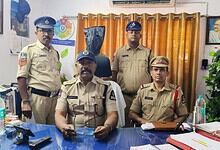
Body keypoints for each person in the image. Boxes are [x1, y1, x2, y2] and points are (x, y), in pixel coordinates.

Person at [55, 50, 118, 140]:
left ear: (95, 66)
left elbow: (113, 114)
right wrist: (64, 127)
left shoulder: (106, 87)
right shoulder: (67, 87)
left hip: (98, 135)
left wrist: (107, 127)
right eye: (82, 63)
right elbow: (59, 114)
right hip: (73, 135)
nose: (85, 66)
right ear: (76, 66)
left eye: (89, 63)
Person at [17, 16, 61, 124]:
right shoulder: (28, 50)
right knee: (37, 135)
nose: (46, 34)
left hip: (54, 100)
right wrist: (25, 101)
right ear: (36, 32)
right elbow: (21, 77)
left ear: (53, 33)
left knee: (53, 135)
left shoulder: (55, 53)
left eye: (49, 31)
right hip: (37, 100)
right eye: (43, 30)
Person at [111, 21, 153, 126]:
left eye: (136, 32)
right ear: (127, 34)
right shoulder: (119, 52)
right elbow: (114, 73)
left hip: (143, 96)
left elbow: (153, 73)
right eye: (131, 31)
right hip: (124, 96)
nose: (134, 34)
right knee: (124, 124)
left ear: (140, 35)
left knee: (143, 125)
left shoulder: (148, 52)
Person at [129, 56, 188, 125]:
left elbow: (183, 115)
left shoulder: (176, 92)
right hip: (146, 130)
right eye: (156, 69)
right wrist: (144, 122)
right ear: (151, 73)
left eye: (162, 70)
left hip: (166, 131)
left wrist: (170, 126)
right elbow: (132, 113)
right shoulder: (143, 90)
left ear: (167, 73)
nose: (158, 73)